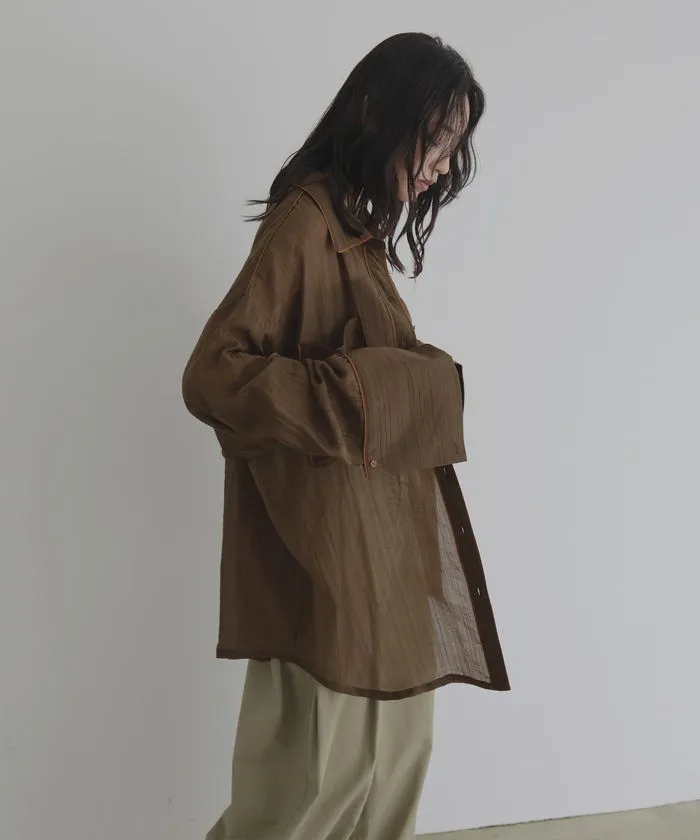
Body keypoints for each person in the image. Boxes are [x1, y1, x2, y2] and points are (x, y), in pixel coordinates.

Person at [182, 31, 510, 840]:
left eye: (454, 148)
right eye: (434, 139)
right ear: (373, 112)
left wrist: (395, 387)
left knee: (392, 769)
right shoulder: (305, 225)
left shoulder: (358, 235)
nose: (441, 166)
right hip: (325, 563)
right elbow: (215, 374)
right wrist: (365, 392)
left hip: (387, 562)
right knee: (308, 788)